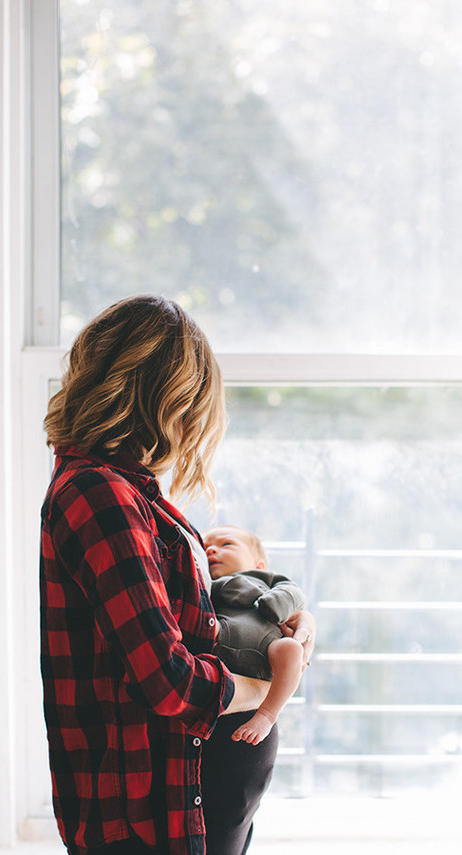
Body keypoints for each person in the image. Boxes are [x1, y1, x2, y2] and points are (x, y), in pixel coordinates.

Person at [40, 294, 315, 855]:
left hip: (177, 801)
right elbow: (168, 682)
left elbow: (194, 626)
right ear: (167, 399)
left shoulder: (130, 491)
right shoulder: (102, 495)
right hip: (144, 821)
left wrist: (287, 623)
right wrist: (264, 692)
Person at [202, 525, 306, 745]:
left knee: (291, 649)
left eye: (226, 544)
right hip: (221, 644)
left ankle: (267, 714)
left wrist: (275, 604)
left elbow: (294, 593)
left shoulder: (267, 579)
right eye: (205, 547)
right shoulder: (204, 586)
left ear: (258, 564)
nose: (211, 550)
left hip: (267, 649)